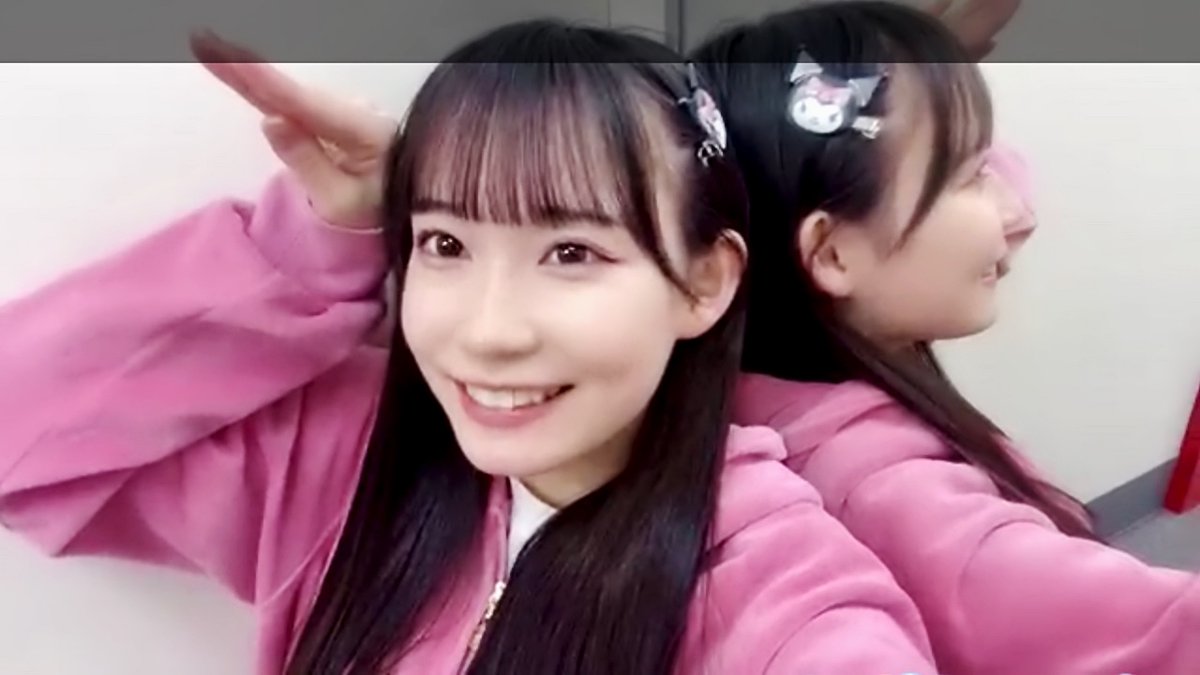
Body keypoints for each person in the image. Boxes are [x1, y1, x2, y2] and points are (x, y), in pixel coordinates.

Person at [0, 21, 938, 675]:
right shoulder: (341, 471)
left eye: (572, 253)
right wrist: (317, 241)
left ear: (703, 282)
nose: (488, 330)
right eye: (446, 243)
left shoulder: (781, 595)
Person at [687, 2, 1200, 673]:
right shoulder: (905, 504)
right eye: (973, 175)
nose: (1014, 211)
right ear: (832, 253)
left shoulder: (747, 392)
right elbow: (1163, 634)